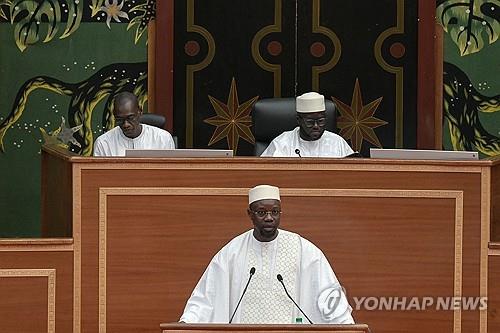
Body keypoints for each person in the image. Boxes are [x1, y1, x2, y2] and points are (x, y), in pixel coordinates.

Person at [179, 184, 354, 324]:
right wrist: (188, 321)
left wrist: (345, 323)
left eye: (275, 212)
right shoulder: (232, 251)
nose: (269, 217)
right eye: (262, 212)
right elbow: (207, 296)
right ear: (250, 214)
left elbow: (328, 293)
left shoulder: (303, 249)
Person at [260, 92, 354, 157]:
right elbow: (264, 171)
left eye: (321, 121)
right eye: (310, 122)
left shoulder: (337, 142)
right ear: (299, 120)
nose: (316, 126)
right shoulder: (282, 143)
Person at [93, 92, 175, 156]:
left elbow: (171, 172)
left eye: (130, 118)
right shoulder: (103, 143)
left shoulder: (162, 139)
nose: (126, 124)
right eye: (120, 119)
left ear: (140, 111)